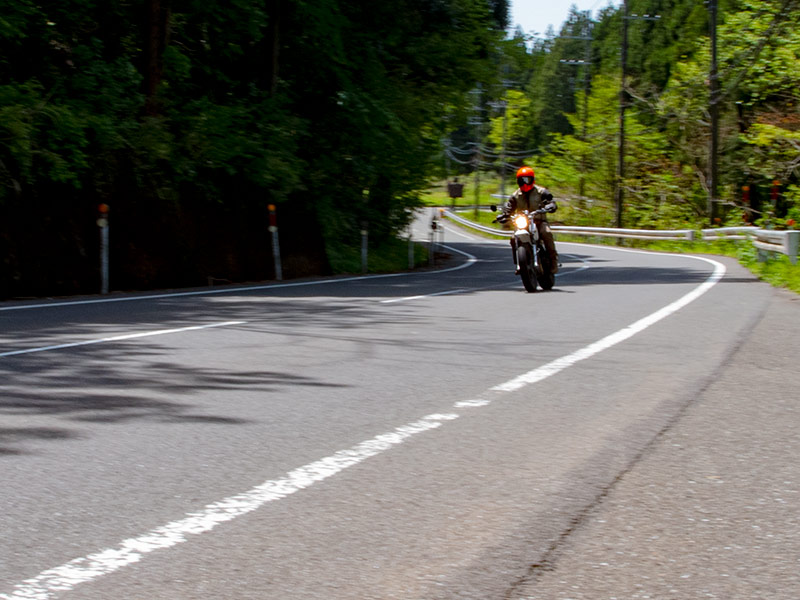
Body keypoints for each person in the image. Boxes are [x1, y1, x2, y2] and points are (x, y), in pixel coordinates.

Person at [501, 166, 559, 274]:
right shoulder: (515, 195)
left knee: (546, 233)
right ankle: (519, 264)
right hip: (523, 223)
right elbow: (508, 207)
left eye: (527, 180)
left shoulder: (541, 192)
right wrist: (504, 215)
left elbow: (551, 201)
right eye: (522, 180)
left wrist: (550, 206)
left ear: (532, 179)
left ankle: (553, 261)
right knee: (514, 239)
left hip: (539, 221)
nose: (525, 183)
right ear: (518, 181)